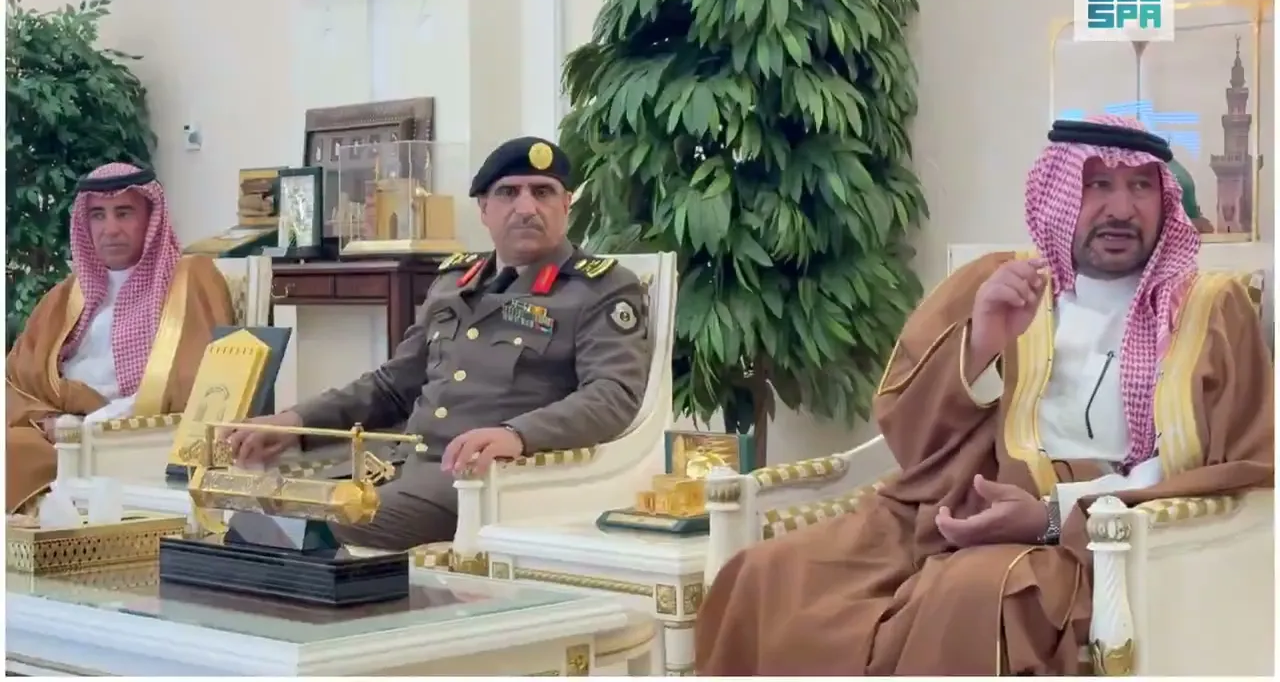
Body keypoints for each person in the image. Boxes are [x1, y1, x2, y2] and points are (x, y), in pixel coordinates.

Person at [694, 115, 1274, 675]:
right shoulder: (1002, 282)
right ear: (1061, 193)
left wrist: (1051, 515)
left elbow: (1231, 466)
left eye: (1140, 187)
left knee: (967, 596)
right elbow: (910, 436)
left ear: (1165, 200)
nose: (1120, 209)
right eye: (1098, 184)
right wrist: (980, 345)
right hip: (942, 509)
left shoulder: (1209, 311)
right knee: (765, 575)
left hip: (1088, 540)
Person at [227, 137, 652, 549]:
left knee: (306, 528)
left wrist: (518, 435)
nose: (526, 208)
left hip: (488, 482)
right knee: (246, 510)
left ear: (566, 204)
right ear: (484, 209)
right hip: (398, 467)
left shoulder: (601, 288)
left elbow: (612, 395)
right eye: (508, 193)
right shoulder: (454, 283)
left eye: (543, 192)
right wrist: (295, 422)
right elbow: (392, 386)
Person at [6, 163, 236, 513]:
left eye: (124, 213)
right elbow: (17, 378)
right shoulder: (65, 295)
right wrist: (47, 419)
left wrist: (102, 420)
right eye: (98, 215)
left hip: (129, 435)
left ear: (150, 218)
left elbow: (201, 380)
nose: (110, 229)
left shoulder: (191, 279)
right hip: (55, 432)